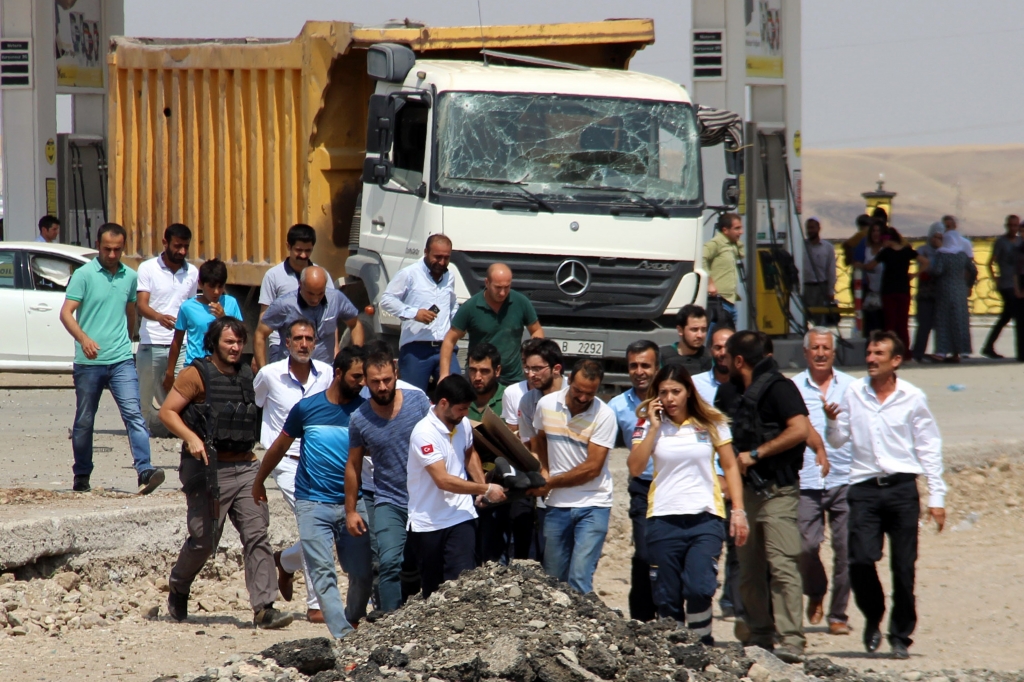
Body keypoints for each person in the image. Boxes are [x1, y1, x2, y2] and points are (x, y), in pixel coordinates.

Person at [159, 317, 292, 630]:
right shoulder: (197, 374)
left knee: (257, 534)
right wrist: (190, 438)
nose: (235, 348)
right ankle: (179, 584)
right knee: (204, 540)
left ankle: (264, 608)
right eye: (228, 342)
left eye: (238, 342)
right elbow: (167, 412)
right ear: (214, 343)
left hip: (246, 466)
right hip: (207, 468)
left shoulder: (248, 374)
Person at [824, 330, 946, 660]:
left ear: (895, 361)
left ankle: (900, 635)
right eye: (869, 353)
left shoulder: (912, 396)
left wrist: (937, 496)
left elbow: (928, 446)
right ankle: (873, 616)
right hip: (863, 489)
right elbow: (837, 440)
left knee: (904, 568)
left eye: (879, 354)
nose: (871, 359)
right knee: (860, 560)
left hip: (902, 489)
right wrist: (831, 422)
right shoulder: (854, 393)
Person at [252, 346, 371, 639]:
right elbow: (279, 446)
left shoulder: (366, 411)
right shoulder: (307, 408)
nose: (363, 383)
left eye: (365, 377)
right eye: (357, 377)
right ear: (339, 374)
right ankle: (343, 633)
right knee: (323, 572)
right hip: (312, 502)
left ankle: (353, 619)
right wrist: (259, 482)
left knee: (362, 570)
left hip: (352, 503)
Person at [628, 364, 748, 645]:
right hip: (662, 519)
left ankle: (702, 646)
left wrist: (739, 511)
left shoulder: (711, 422)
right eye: (664, 393)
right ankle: (674, 655)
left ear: (688, 392)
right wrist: (654, 429)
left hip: (705, 519)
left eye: (676, 392)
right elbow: (635, 467)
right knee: (668, 598)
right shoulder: (646, 425)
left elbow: (730, 466)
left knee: (698, 588)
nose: (670, 399)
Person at [722, 330, 823, 662]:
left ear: (739, 360)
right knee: (749, 570)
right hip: (745, 494)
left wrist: (758, 453)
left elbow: (800, 429)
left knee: (783, 565)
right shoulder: (729, 392)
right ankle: (760, 634)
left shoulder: (780, 388)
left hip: (778, 491)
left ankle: (792, 639)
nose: (722, 362)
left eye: (727, 357)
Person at [59, 223, 164, 495]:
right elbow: (66, 313)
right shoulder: (83, 275)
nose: (112, 254)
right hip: (88, 362)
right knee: (84, 420)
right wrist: (84, 339)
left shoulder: (130, 276)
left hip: (120, 360)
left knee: (134, 415)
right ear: (98, 246)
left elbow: (131, 309)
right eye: (107, 249)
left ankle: (145, 470)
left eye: (118, 249)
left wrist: (130, 336)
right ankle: (82, 475)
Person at [253, 318, 332, 623]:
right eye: (297, 338)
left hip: (320, 459)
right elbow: (257, 404)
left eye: (309, 338)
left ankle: (285, 562)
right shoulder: (268, 375)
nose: (303, 344)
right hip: (285, 462)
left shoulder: (326, 374)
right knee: (313, 526)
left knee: (328, 529)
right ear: (286, 343)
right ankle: (315, 605)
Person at [345, 345, 431, 612]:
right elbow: (353, 465)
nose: (382, 387)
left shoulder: (418, 402)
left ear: (396, 374)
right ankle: (391, 619)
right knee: (388, 562)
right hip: (389, 501)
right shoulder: (359, 419)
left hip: (427, 498)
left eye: (386, 380)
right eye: (375, 382)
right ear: (365, 382)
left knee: (427, 563)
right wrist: (350, 510)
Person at [406, 375, 506, 598]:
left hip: (461, 515)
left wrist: (480, 486)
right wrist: (486, 489)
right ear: (443, 404)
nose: (464, 414)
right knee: (433, 590)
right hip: (428, 523)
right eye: (461, 409)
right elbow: (442, 480)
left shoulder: (463, 425)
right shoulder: (424, 433)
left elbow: (469, 453)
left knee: (461, 585)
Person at [530, 359, 617, 595]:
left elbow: (592, 469)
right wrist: (543, 469)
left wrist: (550, 482)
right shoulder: (546, 404)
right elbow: (539, 439)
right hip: (557, 505)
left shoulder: (605, 415)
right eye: (578, 391)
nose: (582, 398)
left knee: (579, 578)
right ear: (569, 380)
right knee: (553, 579)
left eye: (589, 393)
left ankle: (584, 629)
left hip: (593, 504)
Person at [792, 328, 855, 635]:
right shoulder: (793, 387)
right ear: (805, 353)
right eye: (814, 348)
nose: (820, 353)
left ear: (833, 352)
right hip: (806, 478)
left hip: (846, 478)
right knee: (805, 545)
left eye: (825, 348)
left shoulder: (853, 387)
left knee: (847, 550)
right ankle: (816, 589)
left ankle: (838, 614)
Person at [692, 326, 742, 620]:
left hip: (736, 473)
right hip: (706, 478)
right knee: (710, 543)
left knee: (737, 544)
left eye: (728, 346)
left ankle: (732, 598)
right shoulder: (696, 386)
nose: (722, 352)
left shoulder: (745, 385)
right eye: (717, 347)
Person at [608, 340, 659, 622]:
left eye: (645, 365)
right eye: (633, 366)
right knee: (643, 555)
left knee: (668, 556)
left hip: (675, 488)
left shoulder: (673, 398)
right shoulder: (617, 406)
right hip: (642, 487)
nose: (639, 371)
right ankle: (641, 619)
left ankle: (671, 617)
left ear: (657, 367)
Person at [501, 339, 566, 562]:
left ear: (556, 369)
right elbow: (532, 447)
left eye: (537, 368)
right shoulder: (528, 401)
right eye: (527, 368)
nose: (530, 374)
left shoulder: (573, 396)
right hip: (544, 487)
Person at [136, 223, 198, 436]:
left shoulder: (192, 272)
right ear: (165, 243)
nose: (181, 251)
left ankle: (180, 433)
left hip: (181, 344)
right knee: (145, 396)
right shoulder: (148, 268)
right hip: (152, 342)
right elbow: (141, 305)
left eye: (185, 247)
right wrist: (159, 317)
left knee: (181, 391)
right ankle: (140, 435)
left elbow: (191, 307)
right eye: (177, 246)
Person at [379, 234, 460, 391]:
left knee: (456, 394)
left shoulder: (450, 276)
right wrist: (414, 313)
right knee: (411, 397)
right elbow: (387, 300)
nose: (442, 262)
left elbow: (452, 304)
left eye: (446, 258)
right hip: (416, 348)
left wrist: (457, 323)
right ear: (426, 252)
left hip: (445, 346)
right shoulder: (409, 274)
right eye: (437, 257)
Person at [440, 263, 544, 385]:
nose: (502, 293)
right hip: (479, 377)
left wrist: (532, 357)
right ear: (487, 283)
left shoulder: (521, 302)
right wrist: (444, 374)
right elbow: (450, 339)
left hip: (512, 378)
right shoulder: (471, 307)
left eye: (507, 287)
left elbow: (536, 330)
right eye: (498, 287)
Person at [257, 223, 337, 363]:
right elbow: (264, 315)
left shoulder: (322, 275)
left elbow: (331, 316)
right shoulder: (274, 276)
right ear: (288, 246)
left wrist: (335, 349)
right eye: (299, 250)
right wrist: (259, 353)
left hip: (315, 348)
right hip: (281, 346)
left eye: (308, 250)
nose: (303, 255)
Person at [256, 266, 364, 368]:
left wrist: (357, 357)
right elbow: (260, 334)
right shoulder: (283, 305)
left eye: (320, 293)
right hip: (290, 374)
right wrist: (263, 372)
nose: (315, 299)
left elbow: (355, 324)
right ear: (300, 284)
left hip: (324, 373)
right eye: (310, 293)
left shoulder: (336, 298)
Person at [163, 259, 243, 392]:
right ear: (200, 284)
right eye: (211, 286)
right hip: (195, 367)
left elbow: (240, 335)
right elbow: (177, 341)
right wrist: (170, 372)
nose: (216, 292)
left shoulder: (231, 303)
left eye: (220, 286)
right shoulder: (187, 307)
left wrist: (224, 318)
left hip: (223, 368)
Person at [864, 227, 917, 352]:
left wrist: (859, 265)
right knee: (903, 324)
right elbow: (925, 261)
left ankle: (890, 352)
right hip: (904, 290)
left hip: (889, 291)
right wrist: (915, 274)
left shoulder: (886, 252)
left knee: (890, 324)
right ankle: (905, 352)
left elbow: (870, 265)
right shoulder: (906, 251)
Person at [930, 231, 978, 362]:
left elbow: (938, 271)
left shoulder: (941, 253)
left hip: (944, 290)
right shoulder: (962, 254)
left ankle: (942, 351)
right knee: (959, 320)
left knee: (943, 321)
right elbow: (973, 270)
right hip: (960, 291)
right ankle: (960, 351)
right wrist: (968, 284)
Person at [982, 215, 1022, 358]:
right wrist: (995, 279)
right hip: (1006, 284)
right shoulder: (1001, 242)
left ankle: (988, 346)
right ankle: (1020, 352)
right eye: (1010, 225)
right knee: (1017, 315)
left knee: (1006, 316)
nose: (1013, 228)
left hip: (1018, 283)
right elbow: (990, 262)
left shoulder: (1020, 241)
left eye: (1015, 225)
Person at [703, 212, 745, 330]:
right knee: (715, 337)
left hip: (731, 301)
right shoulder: (715, 244)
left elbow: (741, 254)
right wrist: (709, 283)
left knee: (729, 339)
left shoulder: (731, 245)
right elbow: (701, 259)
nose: (741, 232)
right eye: (737, 228)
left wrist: (737, 240)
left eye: (741, 228)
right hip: (719, 302)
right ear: (725, 230)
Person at [911, 223, 945, 362]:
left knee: (941, 325)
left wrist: (942, 251)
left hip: (941, 294)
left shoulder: (945, 252)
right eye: (934, 236)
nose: (936, 240)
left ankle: (939, 353)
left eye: (940, 237)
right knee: (924, 324)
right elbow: (929, 268)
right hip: (925, 293)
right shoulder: (922, 250)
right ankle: (918, 353)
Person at [853, 220, 887, 337]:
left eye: (878, 231)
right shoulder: (865, 247)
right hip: (870, 293)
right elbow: (856, 262)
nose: (876, 233)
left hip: (885, 294)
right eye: (873, 231)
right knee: (869, 328)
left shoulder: (886, 249)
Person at [802, 218, 837, 326]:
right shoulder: (801, 246)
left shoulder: (827, 247)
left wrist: (830, 291)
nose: (810, 231)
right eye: (808, 228)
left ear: (818, 228)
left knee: (820, 321)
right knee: (803, 317)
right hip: (805, 287)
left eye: (812, 227)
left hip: (821, 288)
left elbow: (831, 270)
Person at [659, 305, 713, 375]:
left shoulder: (710, 357)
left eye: (703, 329)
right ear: (680, 330)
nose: (700, 335)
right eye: (694, 329)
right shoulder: (662, 356)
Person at [467, 343, 505, 421]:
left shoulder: (510, 399)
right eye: (473, 370)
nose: (477, 378)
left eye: (484, 371)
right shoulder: (458, 399)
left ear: (497, 371)